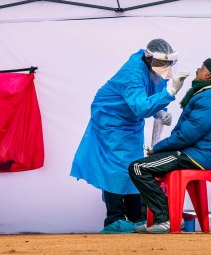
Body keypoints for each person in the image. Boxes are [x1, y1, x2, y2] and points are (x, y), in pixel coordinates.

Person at [71, 39, 190, 233]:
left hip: (131, 120)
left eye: (169, 63)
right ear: (149, 57)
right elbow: (141, 105)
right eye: (162, 63)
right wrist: (171, 91)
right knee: (115, 166)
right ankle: (114, 218)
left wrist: (160, 111)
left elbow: (150, 95)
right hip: (110, 119)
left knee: (134, 164)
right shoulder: (132, 73)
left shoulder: (153, 68)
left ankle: (135, 217)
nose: (166, 68)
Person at [129, 55, 211, 234]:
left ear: (209, 75)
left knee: (138, 168)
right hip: (196, 153)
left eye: (201, 68)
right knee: (147, 166)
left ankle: (167, 219)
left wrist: (158, 147)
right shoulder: (210, 95)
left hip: (196, 155)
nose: (197, 70)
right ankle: (161, 218)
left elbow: (188, 134)